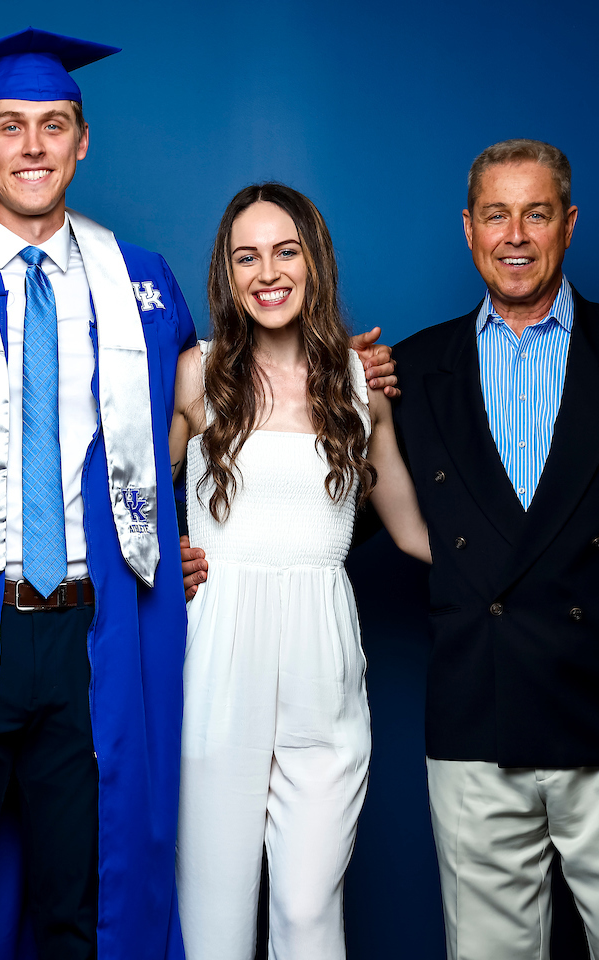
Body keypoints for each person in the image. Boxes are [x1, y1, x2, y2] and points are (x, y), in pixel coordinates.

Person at [372, 139, 599, 959]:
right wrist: (205, 538)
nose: (515, 235)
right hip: (477, 721)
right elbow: (348, 512)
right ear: (467, 229)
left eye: (535, 214)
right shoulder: (410, 368)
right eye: (496, 215)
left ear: (568, 225)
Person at [168, 183, 429, 960]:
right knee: (211, 914)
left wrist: (537, 574)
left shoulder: (360, 387)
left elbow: (415, 529)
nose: (268, 272)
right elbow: (126, 495)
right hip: (220, 648)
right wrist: (154, 565)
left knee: (312, 913)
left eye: (286, 251)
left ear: (314, 261)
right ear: (226, 272)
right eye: (247, 256)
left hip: (325, 651)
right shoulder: (196, 375)